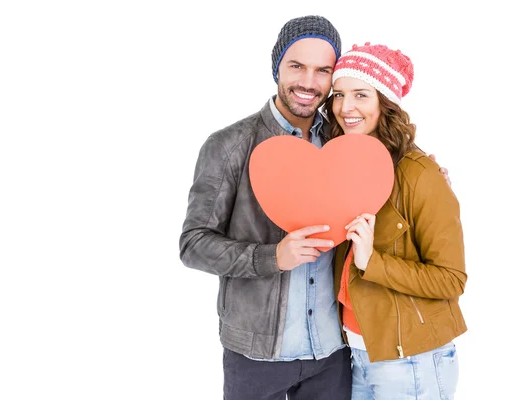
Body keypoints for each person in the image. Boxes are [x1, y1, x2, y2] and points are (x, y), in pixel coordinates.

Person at [180, 15, 451, 399]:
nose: (309, 82)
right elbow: (193, 244)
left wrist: (427, 169)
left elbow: (386, 160)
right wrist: (272, 256)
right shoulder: (228, 146)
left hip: (333, 353)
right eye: (297, 66)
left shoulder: (344, 137)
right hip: (256, 354)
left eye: (323, 70)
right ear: (277, 67)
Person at [324, 43, 467, 399]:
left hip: (411, 361)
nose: (346, 107)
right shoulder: (343, 168)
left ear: (385, 102)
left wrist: (373, 262)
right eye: (339, 95)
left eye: (361, 94)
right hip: (356, 352)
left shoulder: (420, 174)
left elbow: (452, 280)